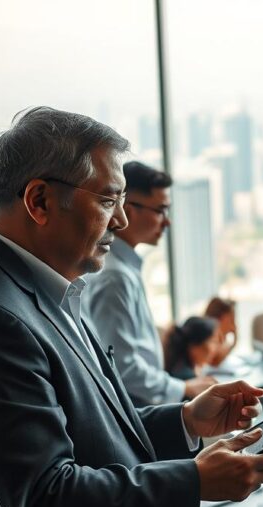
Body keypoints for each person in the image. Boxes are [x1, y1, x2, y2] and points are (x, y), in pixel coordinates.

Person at [0, 107, 263, 507]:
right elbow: (46, 496)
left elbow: (92, 430)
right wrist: (193, 481)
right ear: (40, 201)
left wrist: (187, 419)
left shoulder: (48, 285)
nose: (123, 219)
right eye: (110, 200)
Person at [86, 161, 213, 406]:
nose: (167, 222)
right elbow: (122, 368)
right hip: (138, 412)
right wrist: (183, 387)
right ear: (129, 209)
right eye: (160, 210)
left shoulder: (122, 267)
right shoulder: (115, 277)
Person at [204, 297, 237, 366]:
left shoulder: (218, 337)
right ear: (219, 319)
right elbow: (217, 360)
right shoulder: (208, 337)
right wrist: (234, 340)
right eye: (231, 320)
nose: (233, 325)